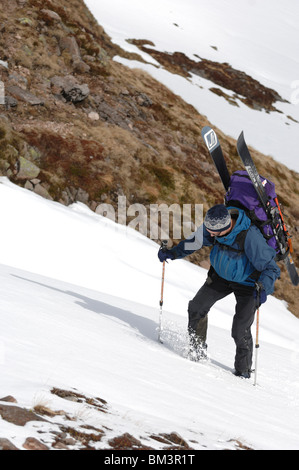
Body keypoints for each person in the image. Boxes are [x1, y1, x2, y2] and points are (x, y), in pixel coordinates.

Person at [158, 204, 280, 378]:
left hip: (249, 284)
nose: (211, 235)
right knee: (196, 308)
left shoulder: (249, 236)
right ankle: (196, 353)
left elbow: (271, 268)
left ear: (227, 226)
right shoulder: (213, 227)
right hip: (221, 277)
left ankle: (243, 372)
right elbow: (194, 242)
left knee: (239, 329)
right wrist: (172, 253)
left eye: (215, 233)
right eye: (209, 231)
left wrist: (264, 288)